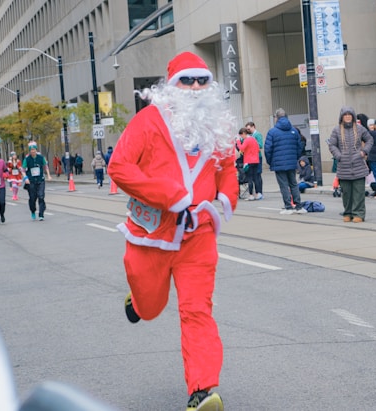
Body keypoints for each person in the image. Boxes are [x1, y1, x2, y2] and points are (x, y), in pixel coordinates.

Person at [107, 51, 238, 411]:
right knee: (150, 307)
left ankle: (203, 390)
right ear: (172, 85)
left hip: (198, 236)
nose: (195, 87)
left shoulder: (218, 124)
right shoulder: (148, 121)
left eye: (202, 80)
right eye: (187, 80)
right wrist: (170, 196)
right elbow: (118, 167)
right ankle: (137, 300)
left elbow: (227, 167)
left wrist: (226, 198)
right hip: (151, 236)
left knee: (197, 311)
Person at [328, 106, 373, 223]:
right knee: (346, 193)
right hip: (344, 167)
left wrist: (363, 152)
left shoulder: (360, 129)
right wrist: (338, 155)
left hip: (358, 166)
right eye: (345, 115)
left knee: (359, 193)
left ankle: (359, 213)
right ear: (342, 117)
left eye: (349, 114)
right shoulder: (336, 130)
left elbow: (369, 140)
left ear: (352, 116)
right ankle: (347, 212)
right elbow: (332, 144)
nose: (347, 117)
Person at [264, 108, 306, 214]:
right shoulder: (293, 130)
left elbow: (268, 149)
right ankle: (298, 206)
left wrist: (270, 161)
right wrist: (295, 158)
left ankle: (288, 206)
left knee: (284, 185)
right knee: (293, 184)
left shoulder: (272, 132)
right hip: (292, 162)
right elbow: (299, 146)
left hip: (278, 163)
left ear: (276, 118)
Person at [22, 141, 52, 221]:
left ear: (36, 150)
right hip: (31, 181)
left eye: (34, 150)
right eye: (31, 150)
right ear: (29, 151)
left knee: (41, 196)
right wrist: (26, 178)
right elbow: (23, 170)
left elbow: (45, 166)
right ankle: (33, 211)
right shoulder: (27, 159)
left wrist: (48, 175)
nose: (33, 151)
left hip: (40, 180)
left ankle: (41, 214)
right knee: (32, 198)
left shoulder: (41, 157)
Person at [236, 127, 260, 200]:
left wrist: (238, 141)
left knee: (249, 178)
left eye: (241, 135)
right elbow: (258, 149)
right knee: (255, 178)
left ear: (244, 133)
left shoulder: (247, 140)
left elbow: (241, 148)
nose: (241, 137)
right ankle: (258, 193)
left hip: (249, 161)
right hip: (256, 160)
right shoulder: (253, 139)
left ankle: (251, 195)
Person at [245, 121, 264, 199]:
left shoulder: (257, 135)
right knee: (253, 176)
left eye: (249, 129)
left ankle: (259, 192)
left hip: (257, 157)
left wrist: (252, 143)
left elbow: (260, 145)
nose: (248, 131)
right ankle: (256, 192)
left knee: (257, 175)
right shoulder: (250, 136)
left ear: (253, 127)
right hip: (251, 157)